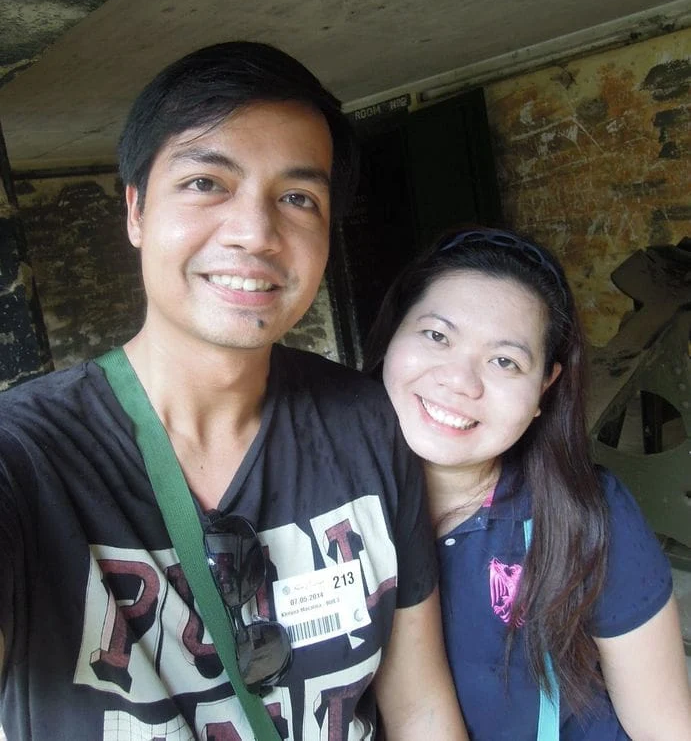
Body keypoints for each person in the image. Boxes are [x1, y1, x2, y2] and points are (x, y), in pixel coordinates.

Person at [0, 42, 468, 741]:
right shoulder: (26, 455)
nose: (255, 233)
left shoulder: (366, 422)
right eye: (205, 184)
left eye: (297, 197)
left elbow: (419, 703)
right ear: (135, 210)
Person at [365, 226, 691, 741]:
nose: (461, 382)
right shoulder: (321, 507)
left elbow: (665, 727)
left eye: (505, 361)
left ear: (545, 387)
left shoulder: (586, 514)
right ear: (390, 337)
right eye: (436, 335)